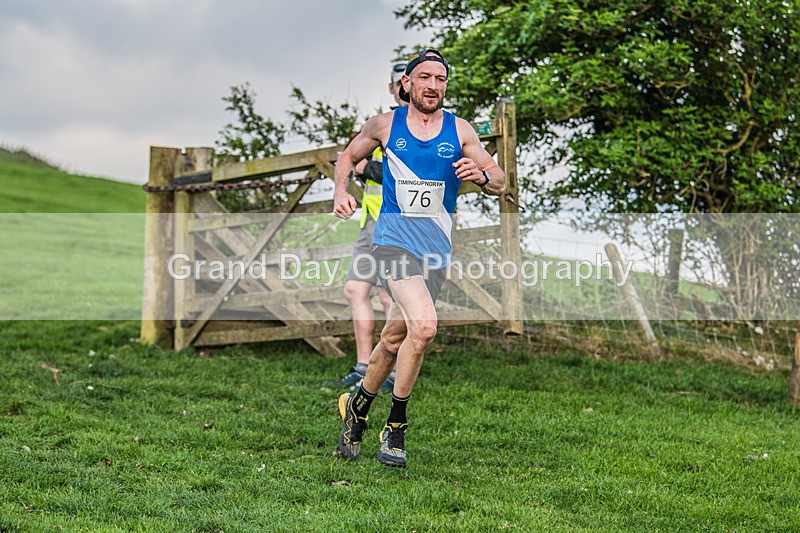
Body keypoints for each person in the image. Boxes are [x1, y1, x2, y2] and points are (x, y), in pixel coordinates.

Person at [331, 50, 505, 467]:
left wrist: (480, 176)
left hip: (435, 252)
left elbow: (498, 179)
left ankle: (356, 411)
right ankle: (396, 427)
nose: (433, 85)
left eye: (440, 79)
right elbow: (347, 158)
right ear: (407, 83)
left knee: (394, 338)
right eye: (424, 77)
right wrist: (342, 191)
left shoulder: (459, 130)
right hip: (392, 243)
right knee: (424, 328)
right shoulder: (385, 124)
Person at [323, 63, 407, 393]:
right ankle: (364, 368)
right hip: (372, 221)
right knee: (356, 290)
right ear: (392, 88)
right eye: (398, 83)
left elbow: (406, 174)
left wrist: (369, 167)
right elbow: (350, 159)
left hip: (400, 223)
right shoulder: (382, 124)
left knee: (391, 297)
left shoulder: (427, 126)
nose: (404, 88)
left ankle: (391, 373)